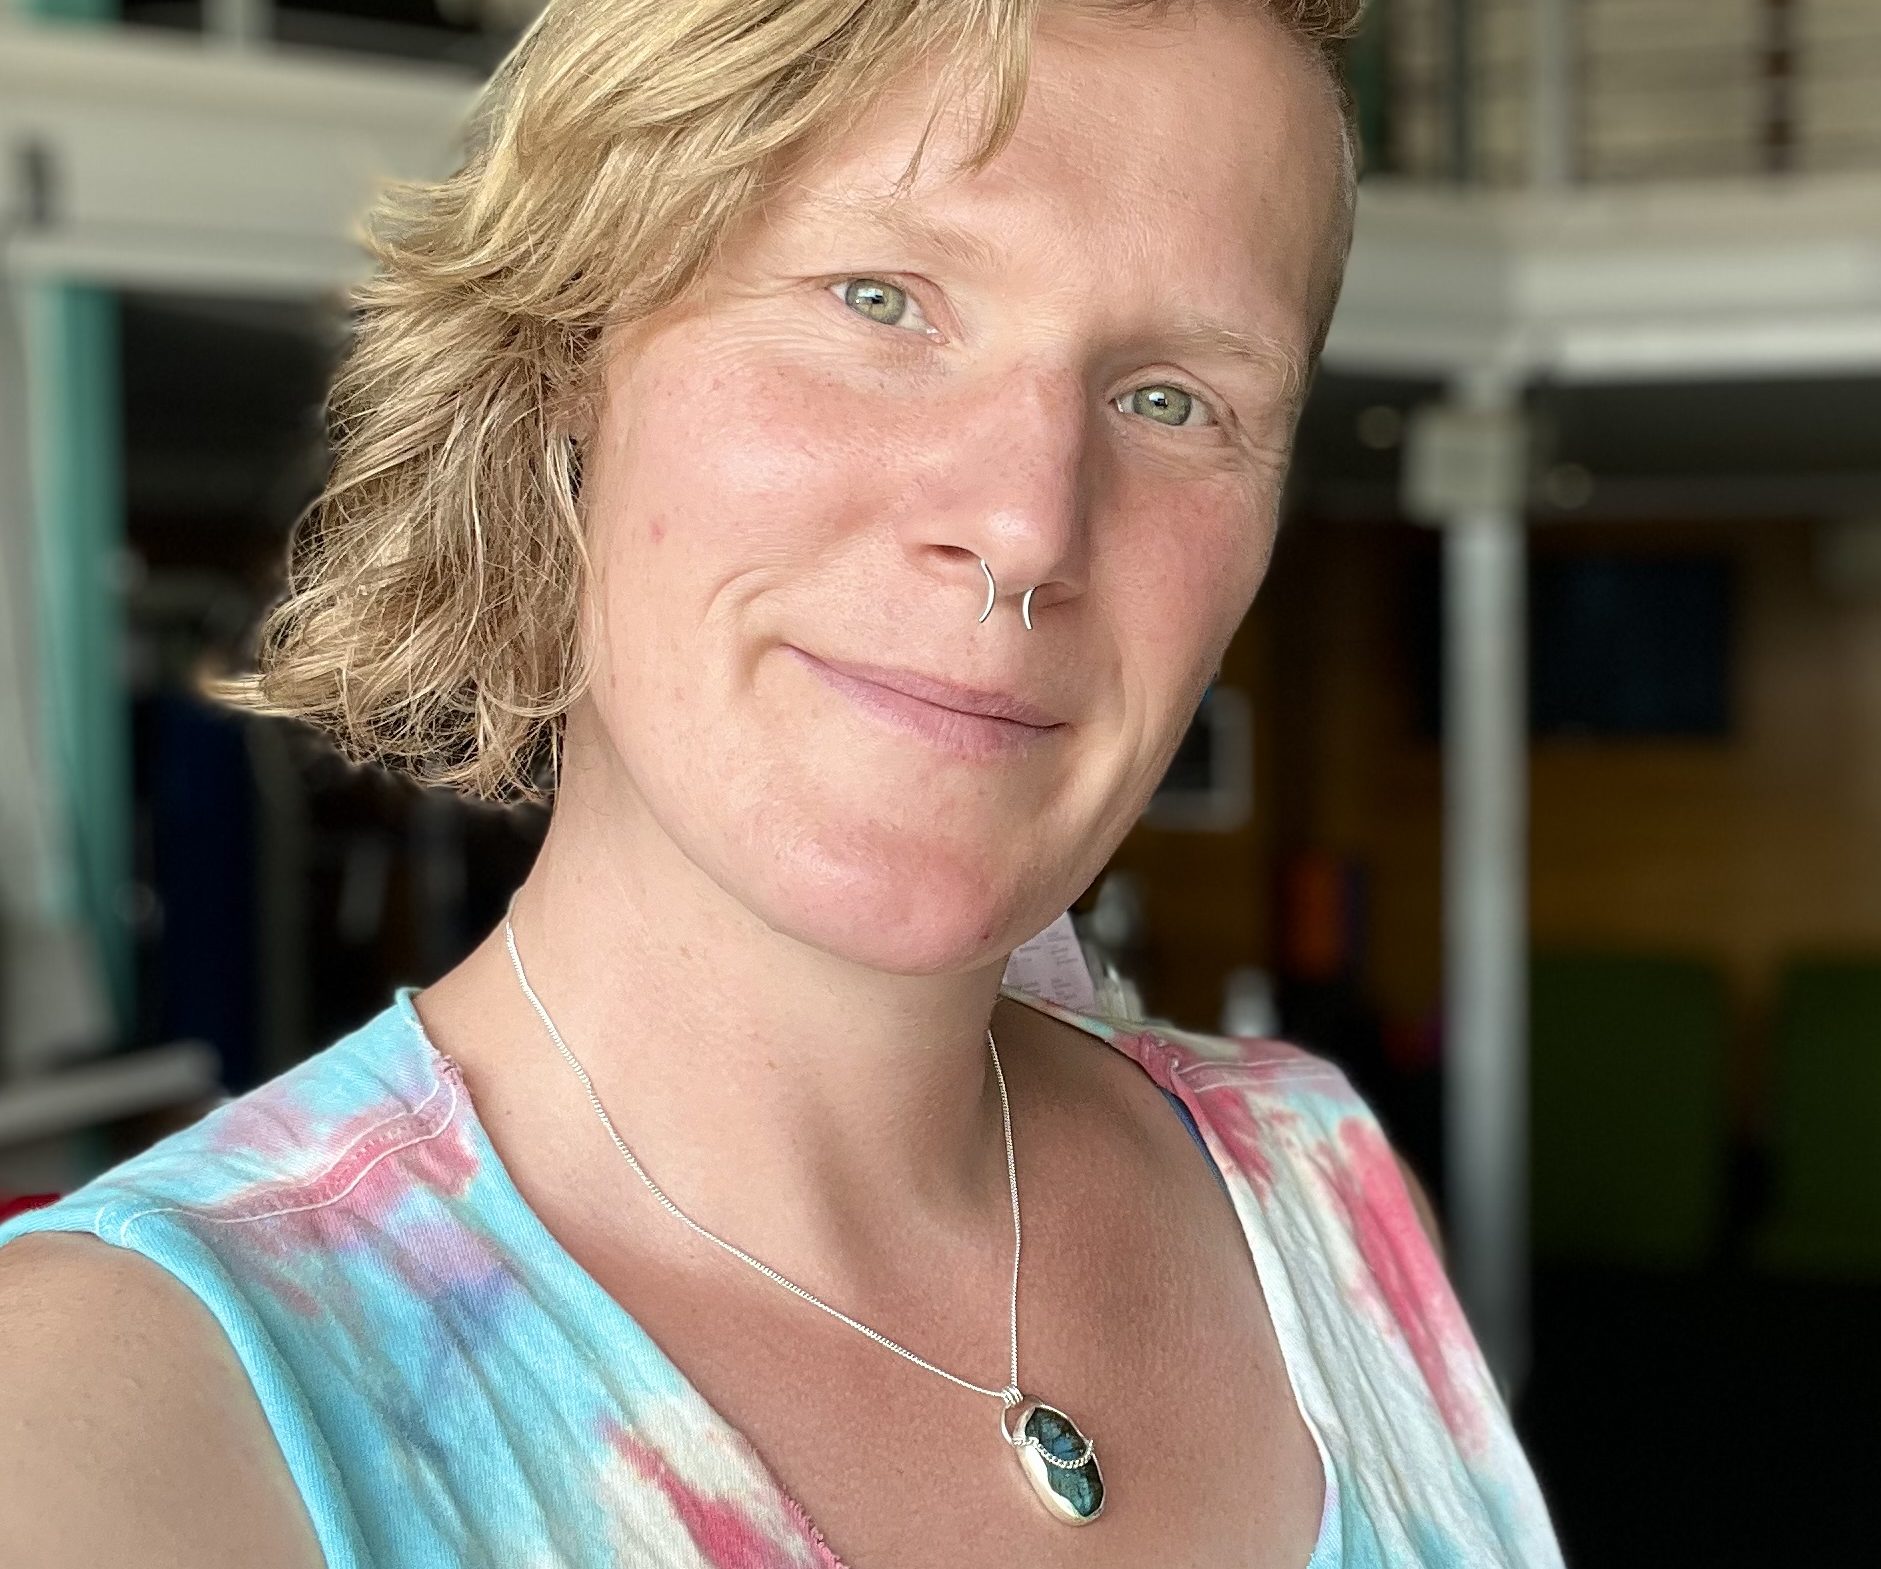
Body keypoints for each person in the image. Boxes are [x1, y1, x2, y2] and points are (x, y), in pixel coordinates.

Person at [0, 1, 1567, 1564]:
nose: (1028, 524)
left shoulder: (1319, 1189)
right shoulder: (112, 1424)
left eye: (1173, 397)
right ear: (569, 359)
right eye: (881, 298)